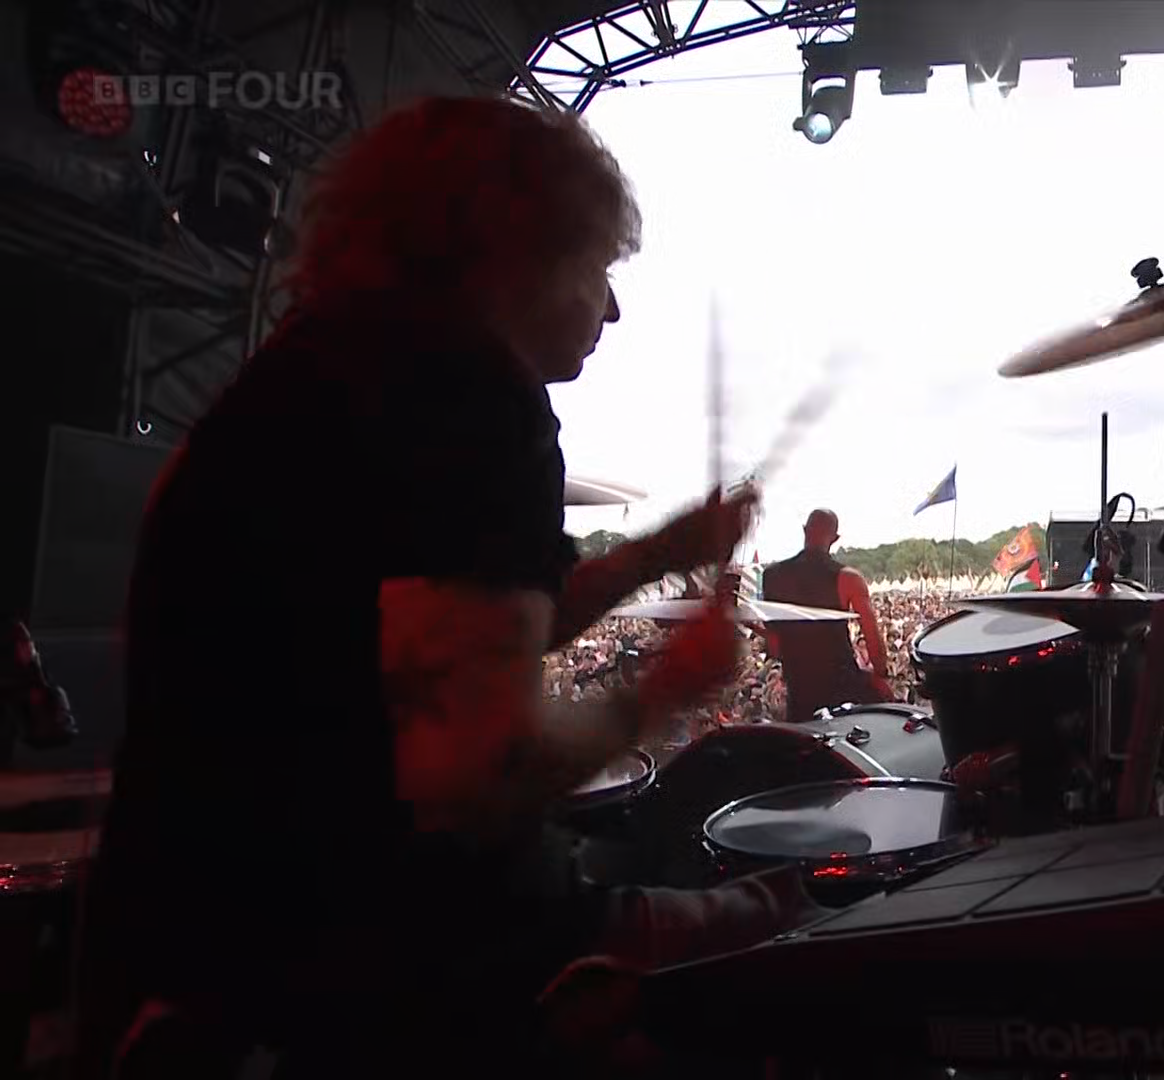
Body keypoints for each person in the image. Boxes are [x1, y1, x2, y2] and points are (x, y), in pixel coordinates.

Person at [75, 96, 816, 1079]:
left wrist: (659, 553)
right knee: (805, 943)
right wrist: (670, 688)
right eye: (600, 269)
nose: (613, 308)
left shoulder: (321, 374)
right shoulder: (472, 397)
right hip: (373, 977)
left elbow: (454, 633)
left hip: (198, 955)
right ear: (518, 252)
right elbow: (480, 782)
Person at [759, 510, 893, 722]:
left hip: (800, 695)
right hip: (844, 690)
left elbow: (775, 647)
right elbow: (873, 640)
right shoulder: (849, 578)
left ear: (805, 530)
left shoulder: (771, 576)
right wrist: (881, 675)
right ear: (835, 538)